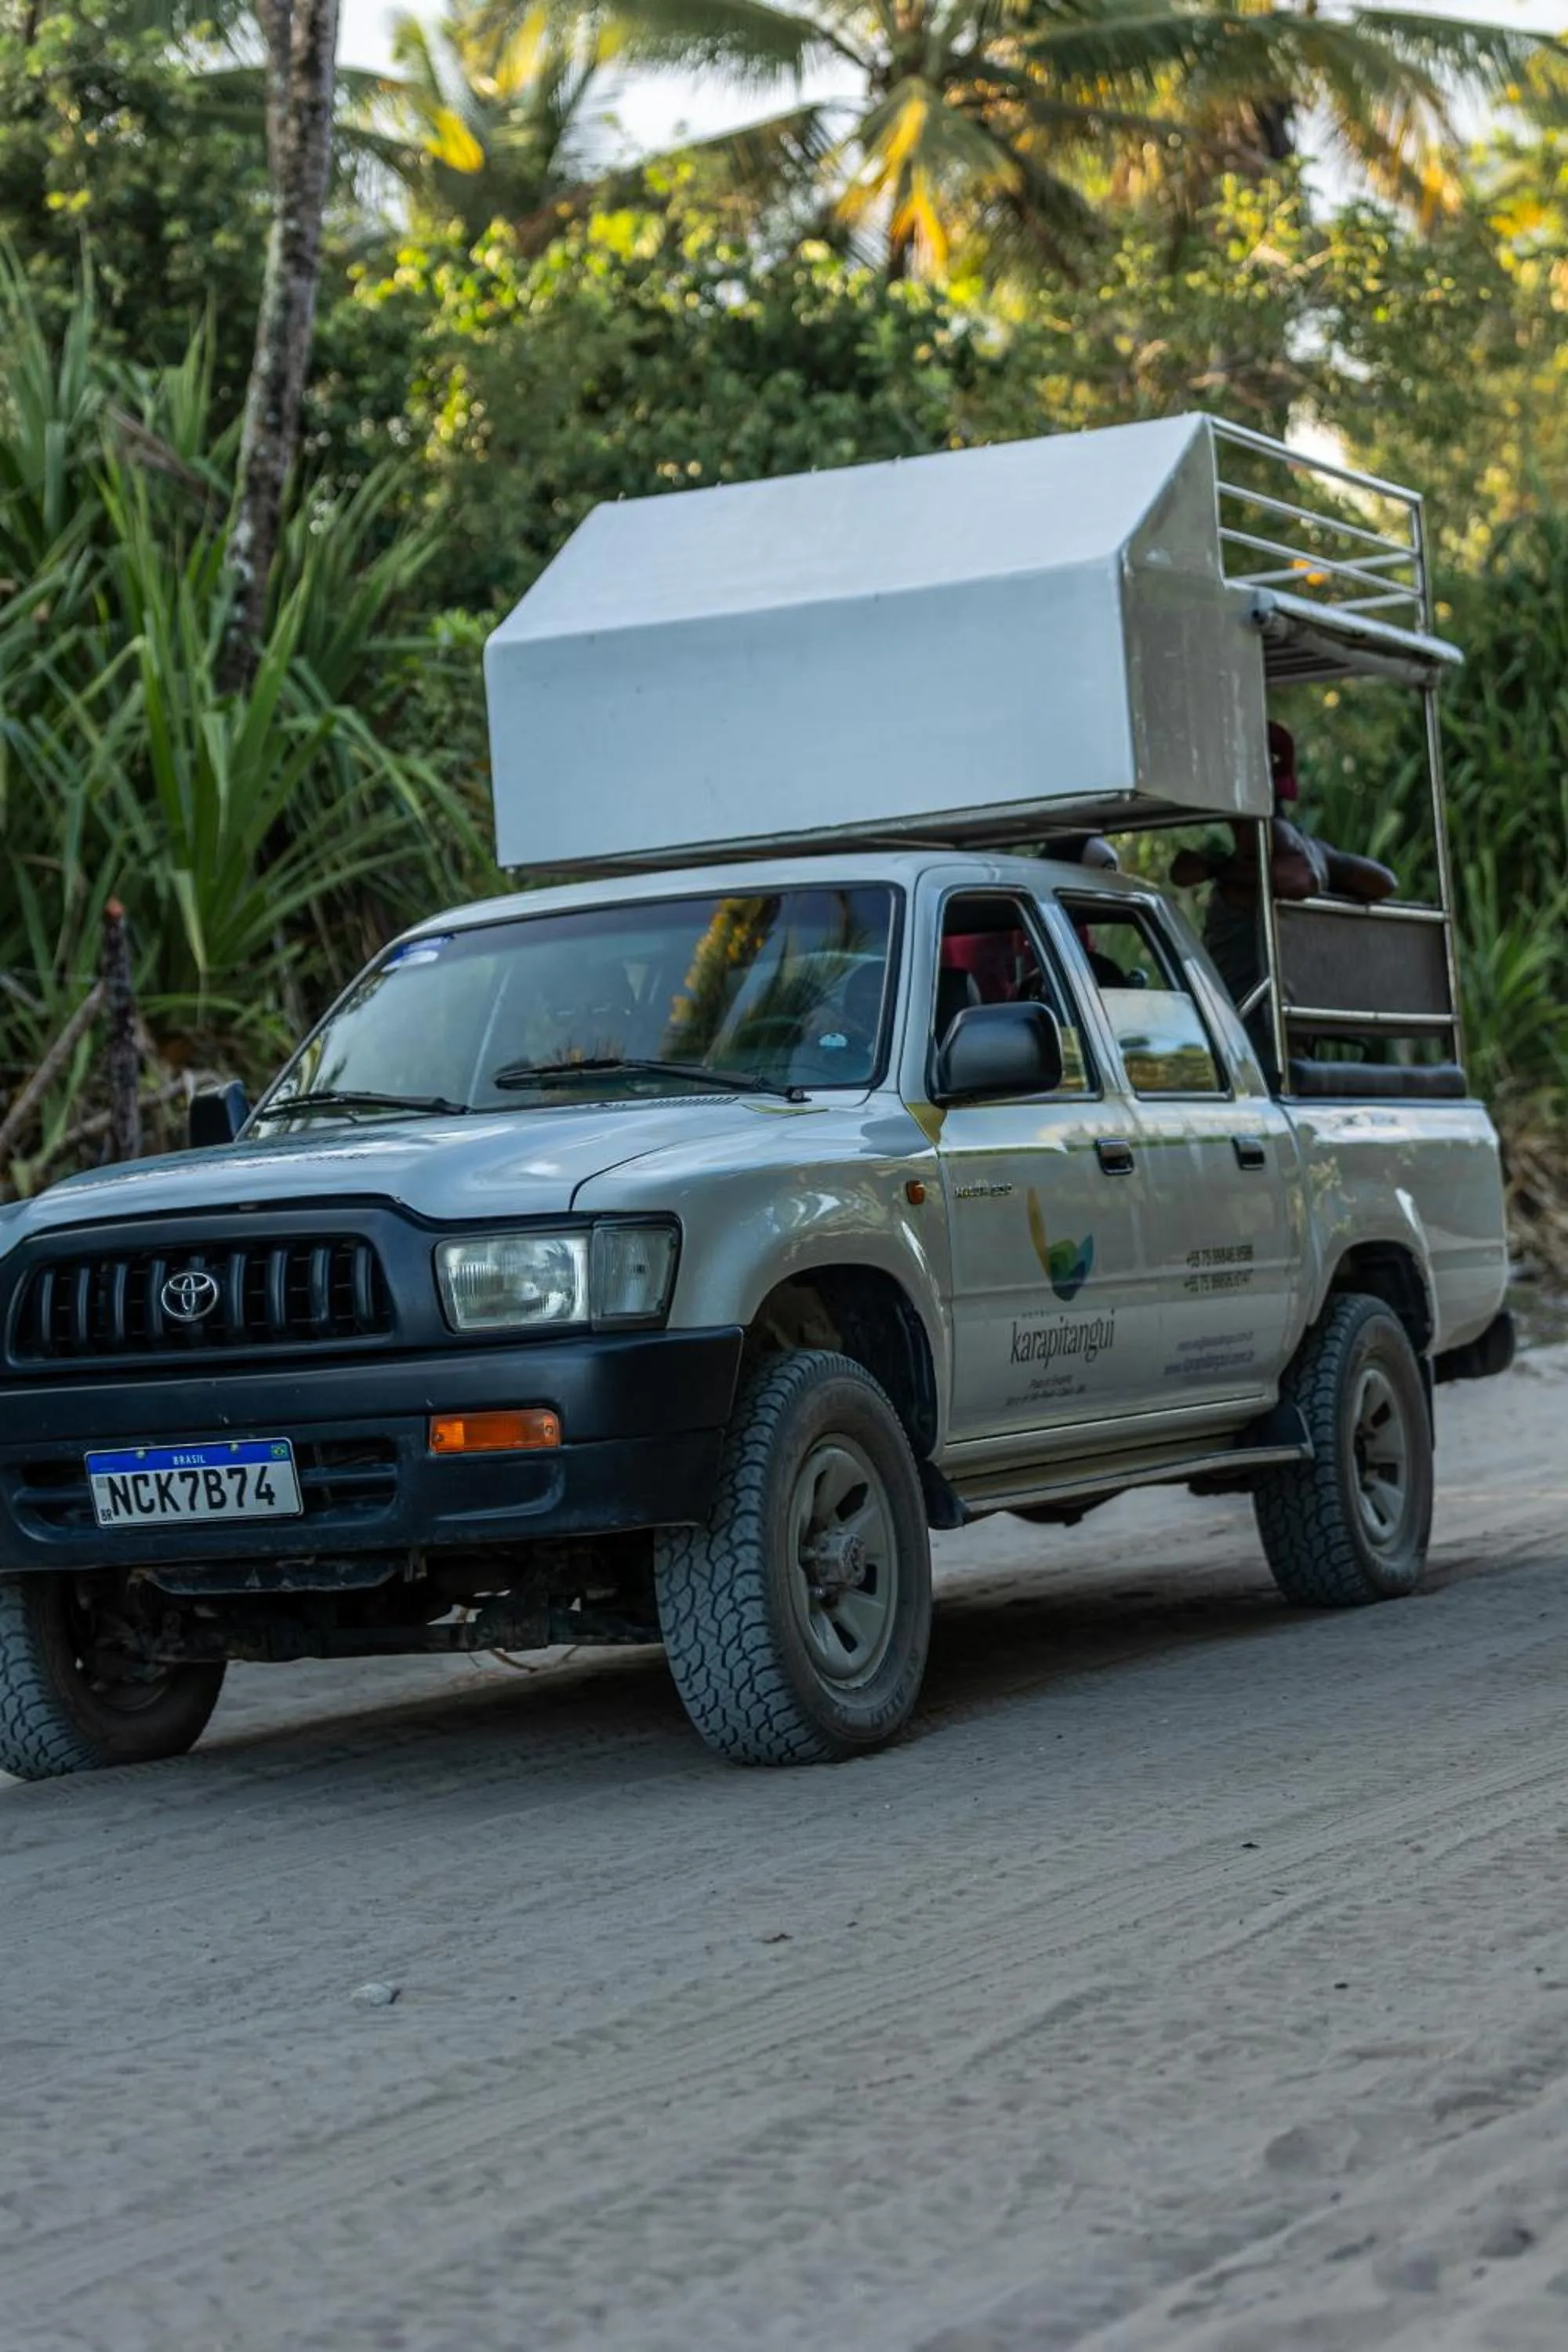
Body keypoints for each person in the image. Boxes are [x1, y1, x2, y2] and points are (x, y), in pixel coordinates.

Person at [1171, 722, 1397, 1011]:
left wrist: (1222, 873)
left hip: (1246, 1023)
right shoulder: (1307, 852)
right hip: (1257, 1021)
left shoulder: (1275, 844)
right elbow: (1382, 882)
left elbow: (1302, 879)